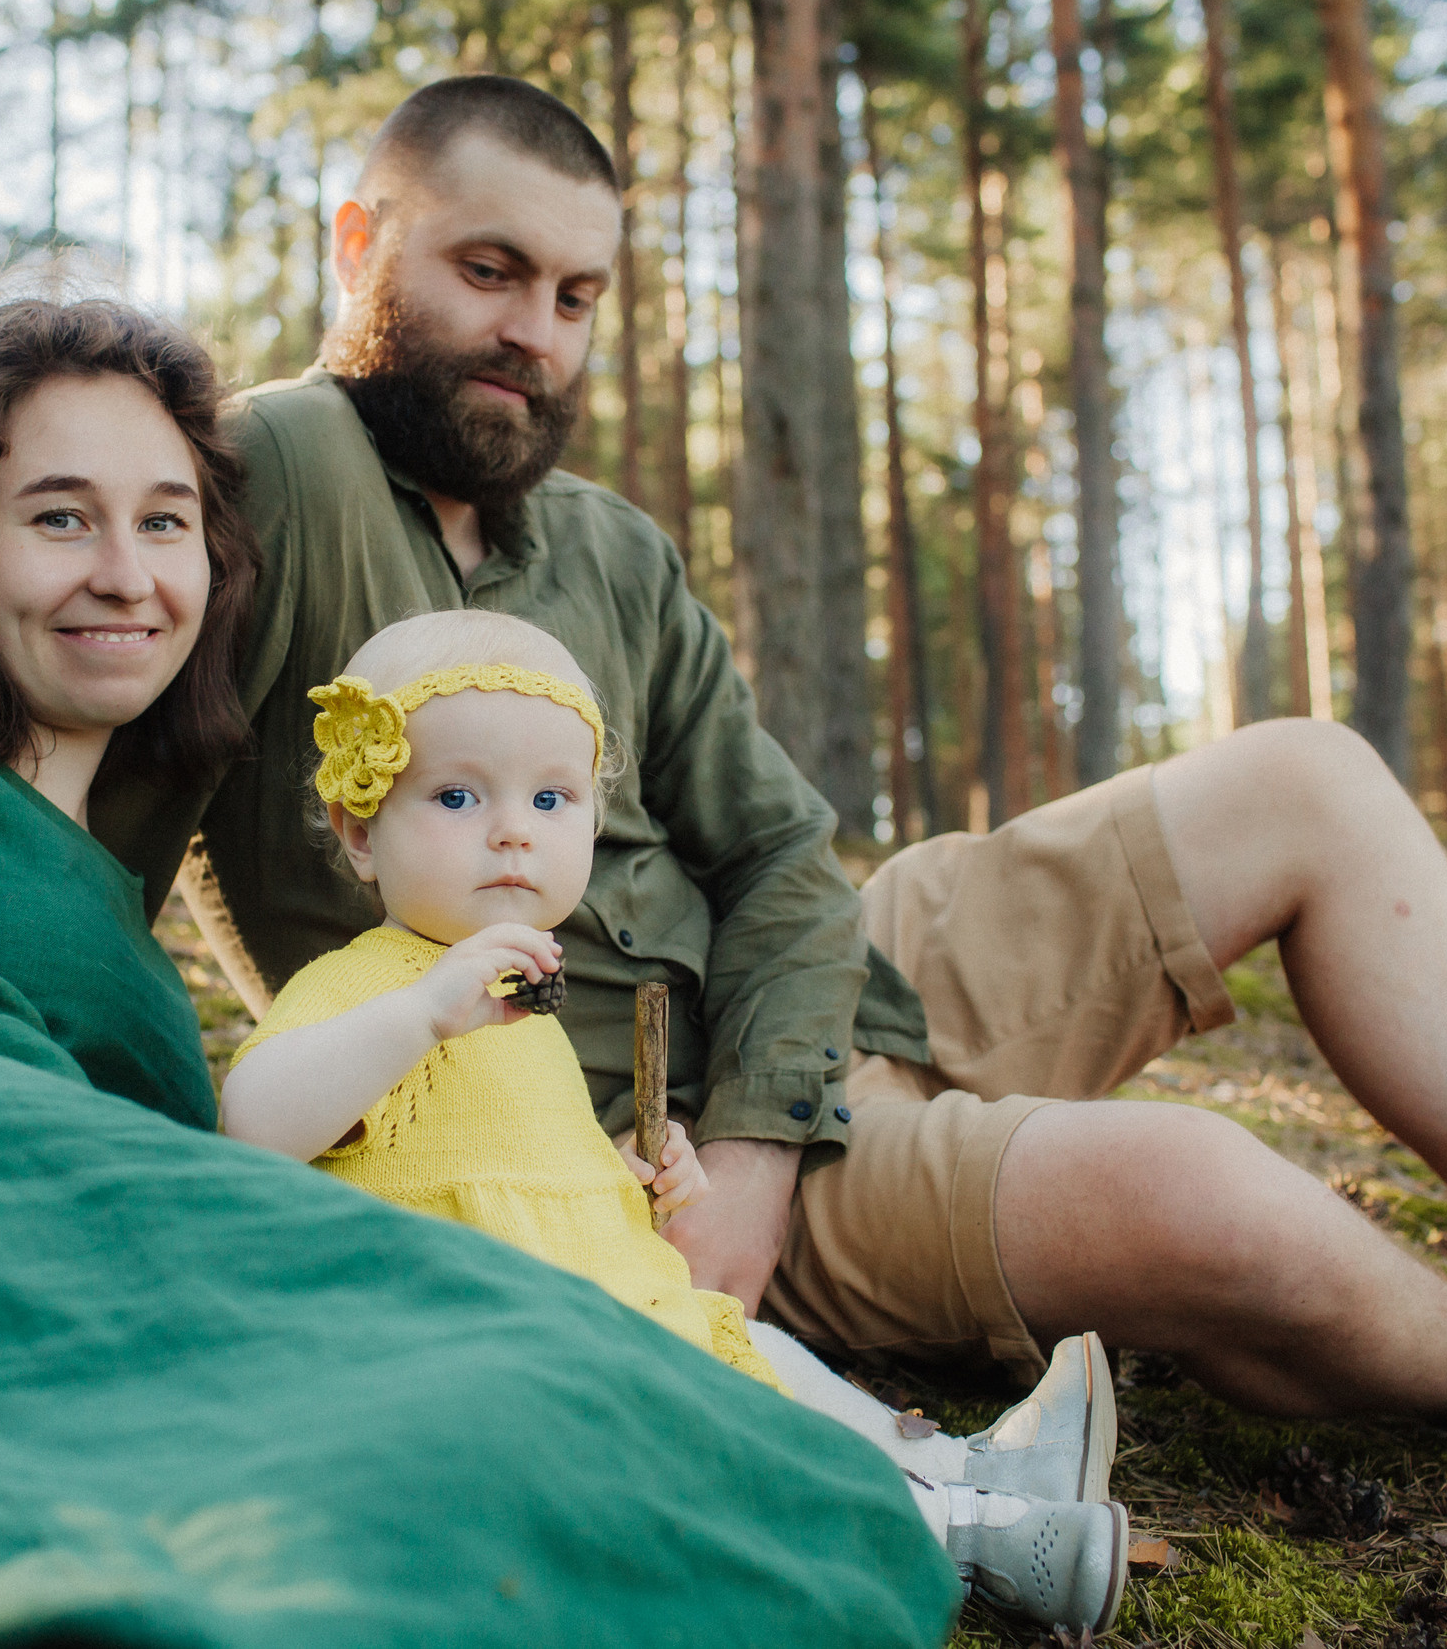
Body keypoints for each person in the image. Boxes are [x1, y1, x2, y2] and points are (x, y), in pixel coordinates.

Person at [92, 75, 1447, 1521]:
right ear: (359, 244)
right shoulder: (269, 475)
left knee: (1307, 774)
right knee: (1199, 1193)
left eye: (575, 295)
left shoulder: (608, 544)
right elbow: (89, 827)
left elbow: (776, 843)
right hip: (631, 1146)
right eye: (488, 269)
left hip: (813, 1015)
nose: (534, 334)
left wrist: (780, 1128)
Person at [0, 299, 962, 1648]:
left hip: (74, 1287)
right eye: (60, 514)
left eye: (165, 523)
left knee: (607, 1429)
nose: (126, 571)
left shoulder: (125, 930)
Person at [220, 608, 1131, 1632]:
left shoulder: (524, 1006)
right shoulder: (369, 990)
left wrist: (637, 1182)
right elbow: (254, 1120)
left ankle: (976, 1472)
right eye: (458, 794)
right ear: (358, 831)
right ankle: (974, 1541)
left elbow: (521, 1168)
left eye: (551, 797)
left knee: (766, 1357)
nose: (512, 828)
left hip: (609, 1317)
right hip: (493, 1352)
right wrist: (417, 1015)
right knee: (748, 1441)